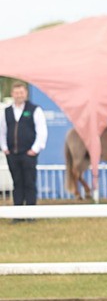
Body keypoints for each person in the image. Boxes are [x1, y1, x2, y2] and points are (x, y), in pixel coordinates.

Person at [1, 82, 48, 212]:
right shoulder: (6, 112)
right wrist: (5, 148)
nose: (19, 95)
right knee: (17, 183)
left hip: (28, 154)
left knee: (29, 183)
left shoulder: (34, 110)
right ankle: (18, 213)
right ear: (12, 94)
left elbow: (42, 131)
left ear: (26, 93)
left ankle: (31, 213)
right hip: (12, 154)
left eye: (21, 93)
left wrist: (35, 149)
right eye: (16, 93)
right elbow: (2, 131)